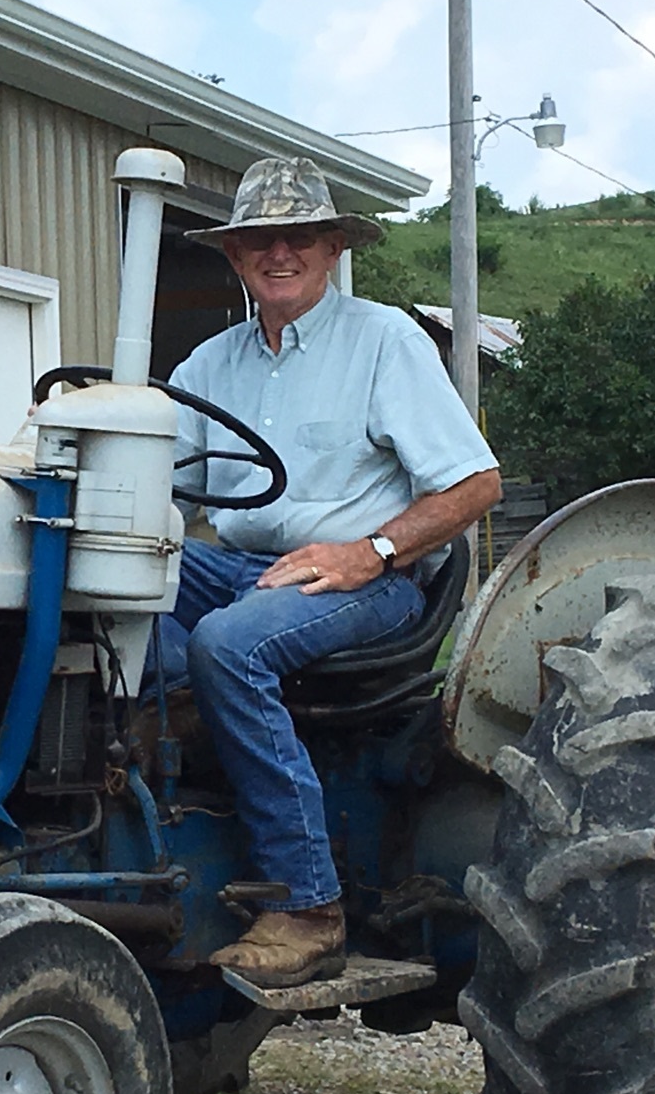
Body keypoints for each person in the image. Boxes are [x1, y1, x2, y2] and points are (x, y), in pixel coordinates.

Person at [163, 156, 501, 989]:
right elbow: (152, 473)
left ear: (331, 248)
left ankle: (309, 905)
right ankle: (168, 828)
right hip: (240, 565)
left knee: (226, 645)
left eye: (300, 238)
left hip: (368, 585)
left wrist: (370, 553)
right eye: (260, 241)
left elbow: (474, 483)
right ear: (235, 257)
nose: (281, 254)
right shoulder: (209, 365)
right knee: (110, 602)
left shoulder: (383, 340)